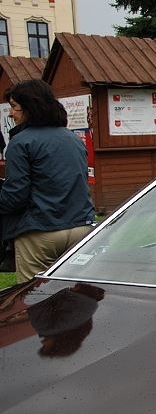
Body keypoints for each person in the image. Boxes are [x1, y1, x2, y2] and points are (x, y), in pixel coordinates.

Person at [0, 80, 96, 284]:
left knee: (34, 294)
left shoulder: (21, 142)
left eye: (14, 107)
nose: (11, 114)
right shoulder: (72, 138)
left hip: (40, 232)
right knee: (76, 293)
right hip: (81, 228)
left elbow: (15, 196)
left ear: (29, 107)